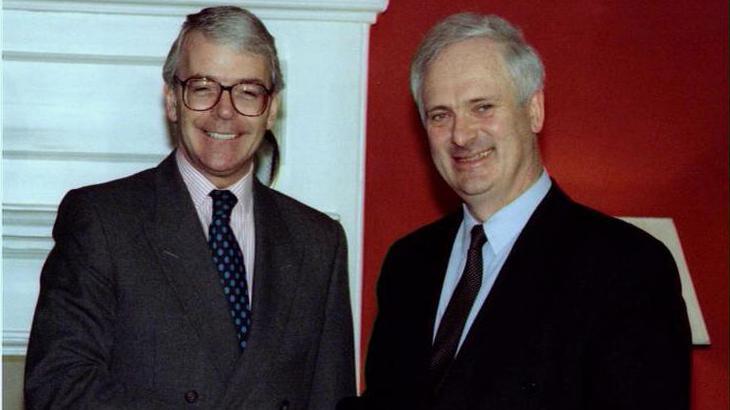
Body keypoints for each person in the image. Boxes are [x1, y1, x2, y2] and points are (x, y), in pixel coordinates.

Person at [24, 6, 355, 409]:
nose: (225, 110)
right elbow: (59, 387)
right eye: (203, 87)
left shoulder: (318, 242)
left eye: (248, 91)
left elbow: (331, 399)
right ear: (172, 101)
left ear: (271, 109)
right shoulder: (102, 220)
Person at [356, 12, 691, 410]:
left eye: (482, 107)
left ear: (534, 110)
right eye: (440, 115)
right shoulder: (408, 264)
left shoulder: (626, 267)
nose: (461, 135)